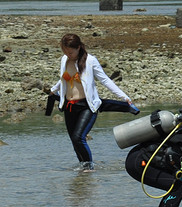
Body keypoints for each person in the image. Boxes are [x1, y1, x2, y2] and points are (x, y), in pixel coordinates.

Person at [49, 33, 139, 170]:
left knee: (79, 137)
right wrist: (54, 89)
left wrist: (124, 96)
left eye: (70, 52)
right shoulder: (64, 60)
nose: (68, 54)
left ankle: (88, 168)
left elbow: (105, 80)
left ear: (78, 47)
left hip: (87, 106)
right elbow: (65, 78)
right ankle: (82, 169)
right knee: (74, 141)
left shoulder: (90, 61)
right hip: (69, 107)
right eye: (65, 51)